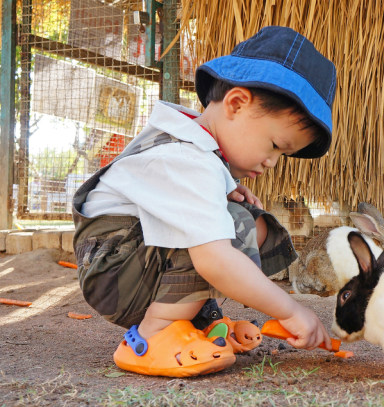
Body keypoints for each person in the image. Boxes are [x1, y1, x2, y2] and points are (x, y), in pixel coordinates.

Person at [72, 26, 337, 377]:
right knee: (221, 237)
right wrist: (288, 310)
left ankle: (193, 321)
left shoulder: (188, 144)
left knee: (244, 220)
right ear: (237, 104)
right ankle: (154, 335)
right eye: (275, 146)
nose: (272, 162)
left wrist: (224, 190)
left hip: (124, 263)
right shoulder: (190, 160)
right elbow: (214, 260)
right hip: (115, 272)